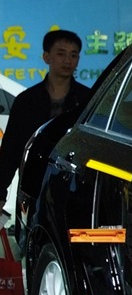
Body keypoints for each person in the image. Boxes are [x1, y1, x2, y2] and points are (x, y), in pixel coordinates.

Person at [0, 30, 91, 228]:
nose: (68, 60)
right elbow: (11, 151)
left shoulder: (87, 100)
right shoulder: (26, 100)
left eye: (73, 55)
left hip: (74, 192)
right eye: (61, 53)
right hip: (33, 188)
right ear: (46, 57)